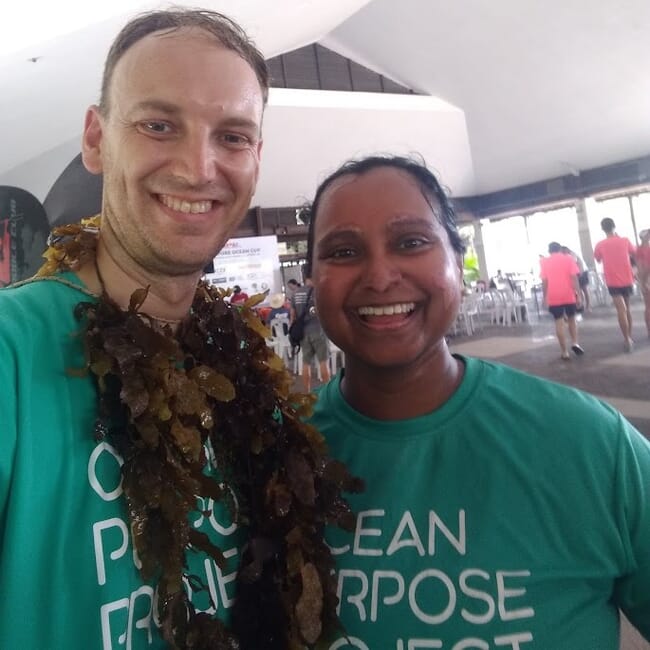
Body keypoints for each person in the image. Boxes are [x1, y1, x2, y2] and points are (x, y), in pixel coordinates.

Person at [0, 9, 357, 650]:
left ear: (256, 156)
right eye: (159, 125)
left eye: (233, 136)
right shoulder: (10, 351)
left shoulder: (242, 374)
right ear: (96, 137)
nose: (199, 168)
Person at [304, 154, 650, 647]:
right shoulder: (271, 449)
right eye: (342, 251)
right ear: (313, 278)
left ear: (457, 260)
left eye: (411, 242)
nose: (379, 276)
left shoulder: (588, 444)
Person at [593, 217, 637, 351]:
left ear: (602, 229)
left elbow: (598, 259)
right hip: (627, 278)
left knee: (620, 310)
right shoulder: (625, 240)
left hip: (612, 280)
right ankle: (629, 336)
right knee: (627, 309)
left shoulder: (600, 244)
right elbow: (634, 252)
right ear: (614, 226)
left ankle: (627, 339)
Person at [540, 242, 584, 359]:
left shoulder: (544, 262)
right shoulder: (568, 259)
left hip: (553, 295)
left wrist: (545, 297)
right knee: (571, 319)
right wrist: (578, 294)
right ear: (560, 250)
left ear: (549, 251)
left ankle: (564, 352)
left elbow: (544, 281)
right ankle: (575, 342)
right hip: (568, 294)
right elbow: (574, 278)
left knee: (559, 322)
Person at [290, 276, 330, 391]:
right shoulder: (318, 293)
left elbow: (292, 318)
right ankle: (326, 390)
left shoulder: (295, 294)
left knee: (306, 363)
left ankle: (307, 393)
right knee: (323, 361)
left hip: (303, 333)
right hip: (319, 330)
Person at [636, 228, 650, 338]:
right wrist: (643, 281)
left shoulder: (639, 250)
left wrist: (642, 281)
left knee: (648, 306)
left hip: (646, 278)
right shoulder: (643, 249)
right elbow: (643, 267)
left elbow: (640, 268)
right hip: (647, 278)